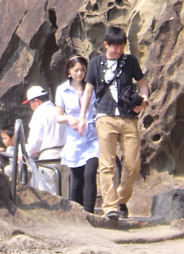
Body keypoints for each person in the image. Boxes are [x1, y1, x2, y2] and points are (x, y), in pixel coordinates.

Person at [79, 26, 148, 221]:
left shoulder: (130, 61)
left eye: (122, 47)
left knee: (133, 164)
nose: (118, 51)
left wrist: (144, 102)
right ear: (106, 45)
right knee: (106, 163)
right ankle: (110, 207)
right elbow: (89, 90)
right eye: (115, 47)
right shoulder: (94, 64)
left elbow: (142, 84)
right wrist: (83, 116)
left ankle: (121, 199)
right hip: (105, 116)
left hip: (128, 117)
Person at [56, 55, 99, 213]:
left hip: (92, 136)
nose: (80, 73)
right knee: (77, 179)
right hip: (74, 139)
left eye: (82, 70)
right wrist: (69, 118)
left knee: (90, 174)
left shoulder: (91, 87)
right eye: (76, 70)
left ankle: (89, 212)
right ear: (69, 71)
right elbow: (59, 117)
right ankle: (77, 213)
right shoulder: (62, 90)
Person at [24, 85, 66, 161]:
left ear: (37, 101)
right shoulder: (59, 111)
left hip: (49, 157)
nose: (31, 107)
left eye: (30, 103)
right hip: (65, 155)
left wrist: (25, 154)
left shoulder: (39, 113)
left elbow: (35, 139)